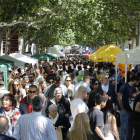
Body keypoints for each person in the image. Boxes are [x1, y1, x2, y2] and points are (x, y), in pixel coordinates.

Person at [118, 75, 139, 140]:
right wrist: (122, 108)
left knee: (130, 129)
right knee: (124, 128)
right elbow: (119, 96)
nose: (138, 83)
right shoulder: (125, 85)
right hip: (125, 111)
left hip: (131, 111)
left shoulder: (134, 87)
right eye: (138, 82)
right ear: (135, 81)